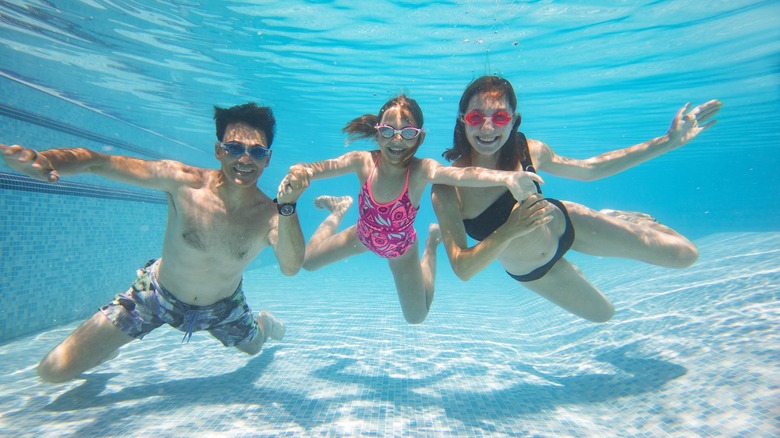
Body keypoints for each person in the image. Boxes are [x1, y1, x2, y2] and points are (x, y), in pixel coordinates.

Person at [1, 102, 307, 383]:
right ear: (218, 151)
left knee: (254, 348)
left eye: (255, 152)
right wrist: (45, 161)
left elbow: (291, 267)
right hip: (156, 296)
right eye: (234, 147)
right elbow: (97, 162)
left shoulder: (271, 213)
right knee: (52, 371)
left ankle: (262, 322)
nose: (244, 159)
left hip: (223, 307)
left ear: (267, 159)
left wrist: (288, 205)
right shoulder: (182, 180)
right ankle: (108, 346)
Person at [431, 76, 722, 323]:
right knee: (603, 314)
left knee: (685, 255)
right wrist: (510, 229)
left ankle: (619, 217)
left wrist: (668, 141)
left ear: (514, 121)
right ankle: (602, 229)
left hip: (568, 224)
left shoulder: (528, 151)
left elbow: (591, 168)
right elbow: (463, 269)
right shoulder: (447, 188)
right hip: (535, 270)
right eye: (476, 117)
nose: (487, 128)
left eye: (500, 117)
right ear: (462, 121)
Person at [281, 94, 542, 324]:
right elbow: (322, 167)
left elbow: (461, 176)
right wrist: (301, 171)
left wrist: (504, 178)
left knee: (416, 317)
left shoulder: (421, 170)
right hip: (362, 236)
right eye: (387, 131)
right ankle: (337, 211)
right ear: (377, 132)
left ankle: (431, 244)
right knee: (307, 263)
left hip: (401, 251)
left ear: (420, 137)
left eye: (407, 132)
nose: (397, 140)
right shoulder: (362, 161)